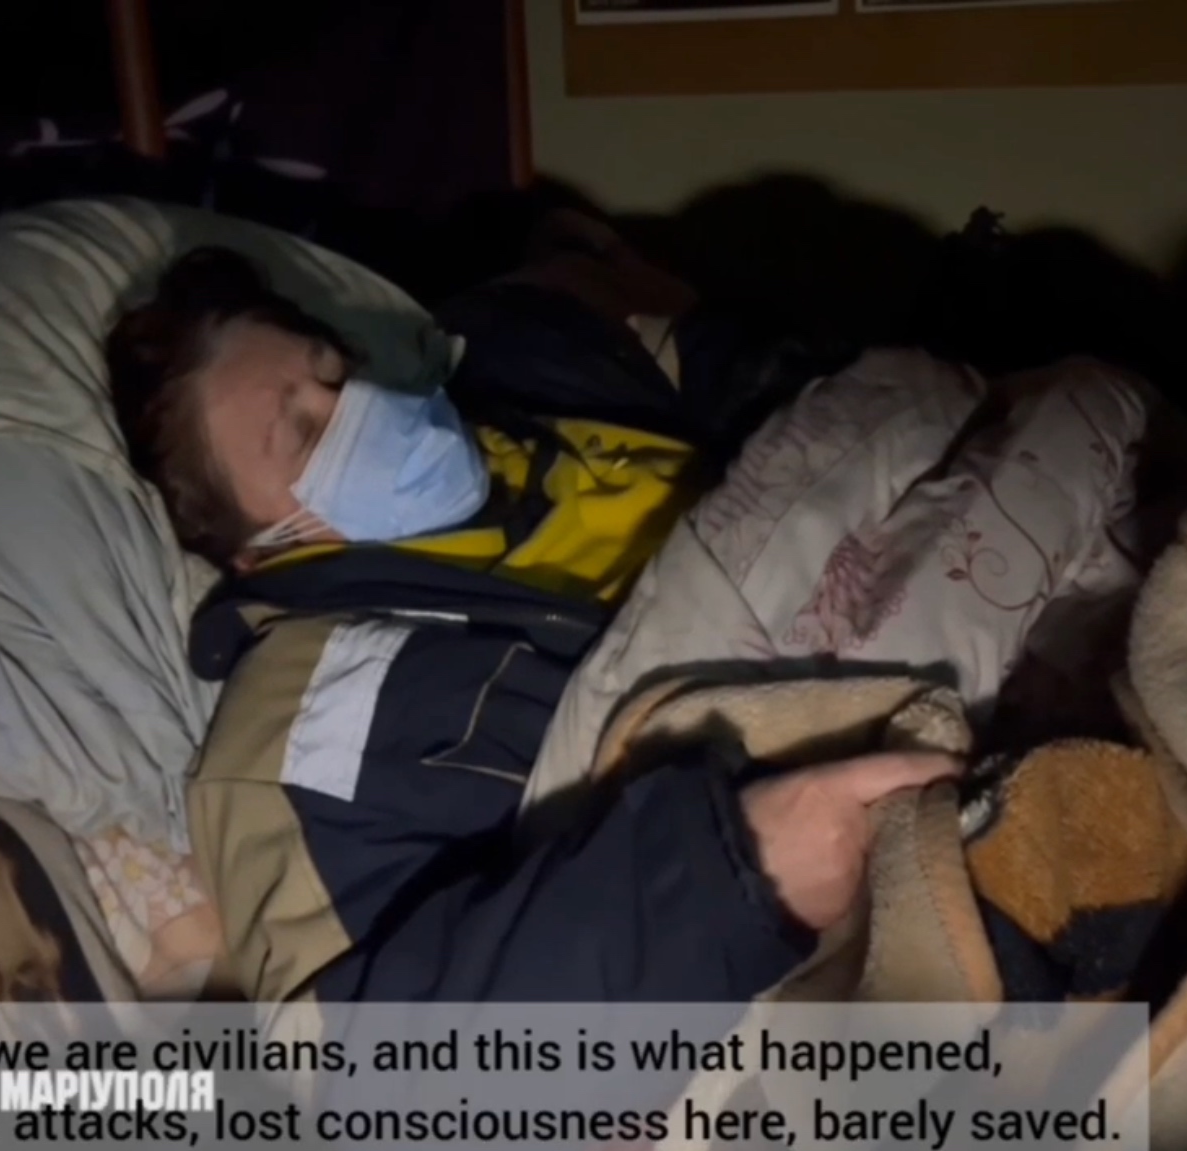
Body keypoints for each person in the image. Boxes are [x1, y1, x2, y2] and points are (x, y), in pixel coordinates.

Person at [107, 246, 961, 1006]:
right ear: (249, 552)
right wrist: (731, 881)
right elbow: (370, 1072)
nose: (355, 408)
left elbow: (770, 380)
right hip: (862, 819)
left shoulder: (522, 363)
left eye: (333, 371)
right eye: (300, 435)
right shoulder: (299, 734)